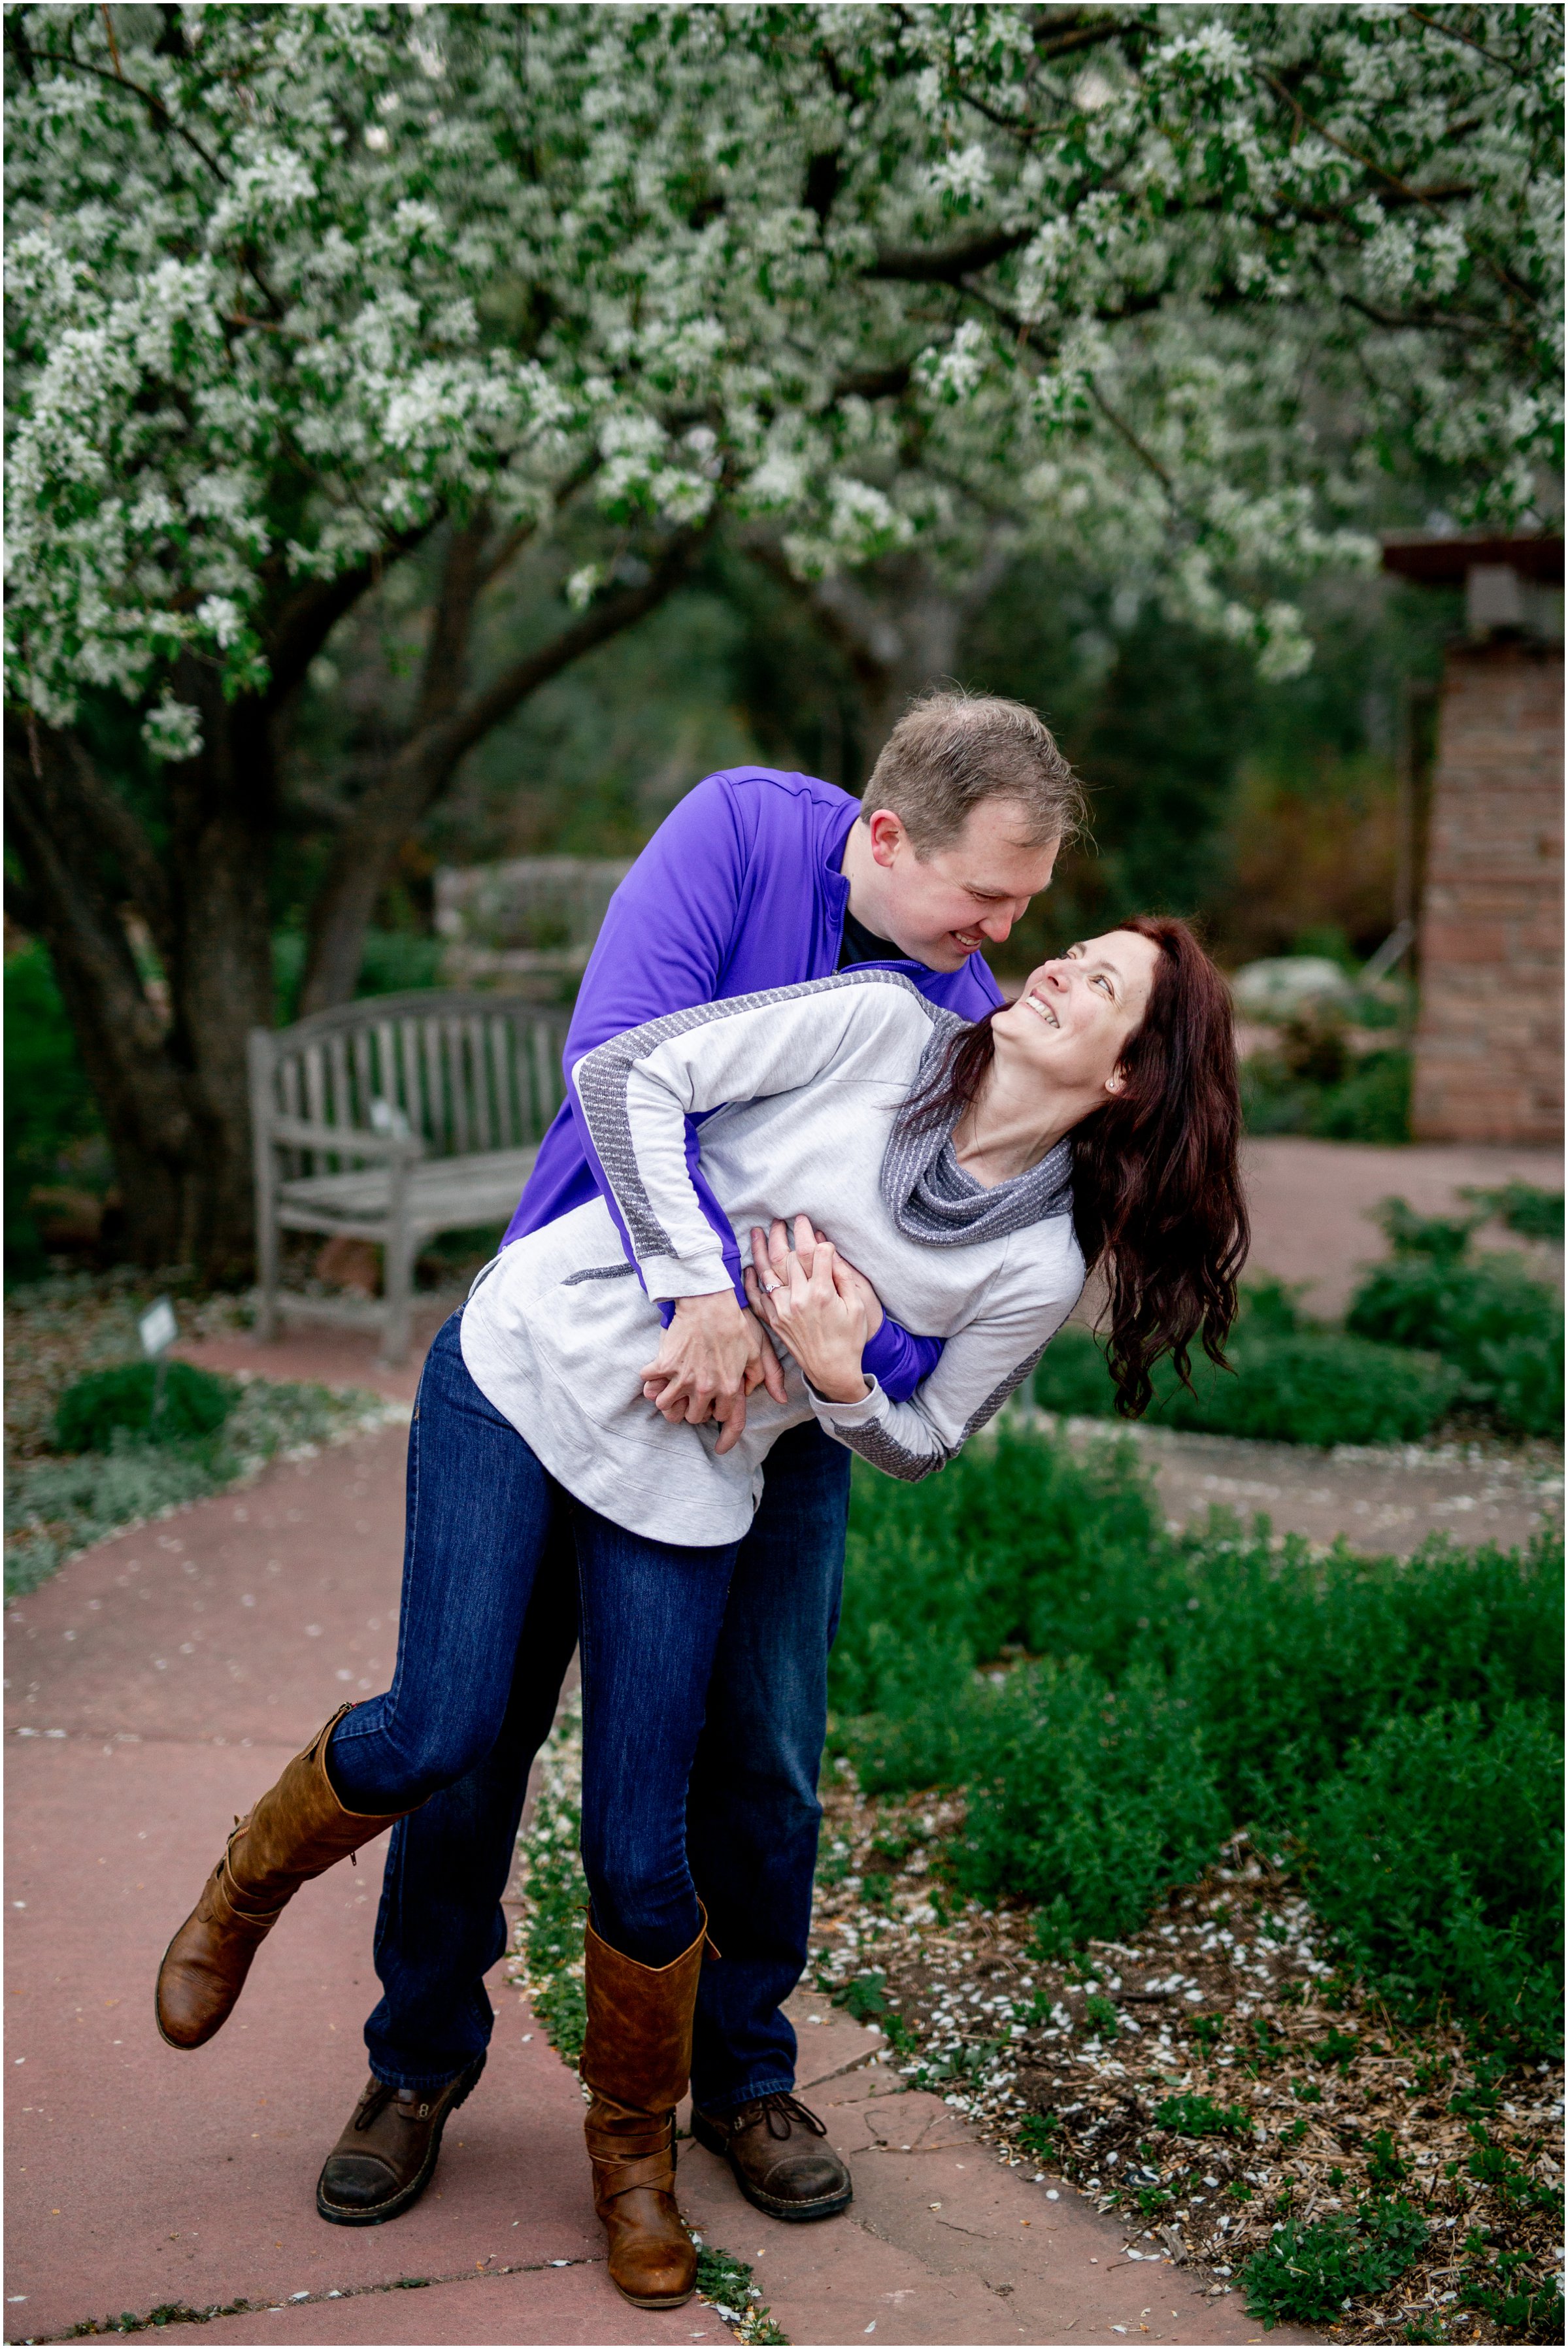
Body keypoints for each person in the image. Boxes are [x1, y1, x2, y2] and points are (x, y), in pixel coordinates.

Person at [156, 916, 1247, 2309]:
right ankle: (254, 1884)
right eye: (1070, 949)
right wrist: (702, 1285)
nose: (1050, 969)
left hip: (689, 1470)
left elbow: (923, 1438)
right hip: (532, 1364)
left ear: (1133, 1080)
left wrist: (846, 1376)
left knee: (640, 1845)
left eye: (1097, 984)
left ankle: (631, 2156)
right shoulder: (884, 1026)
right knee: (446, 1726)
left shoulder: (1033, 1264)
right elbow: (625, 1076)